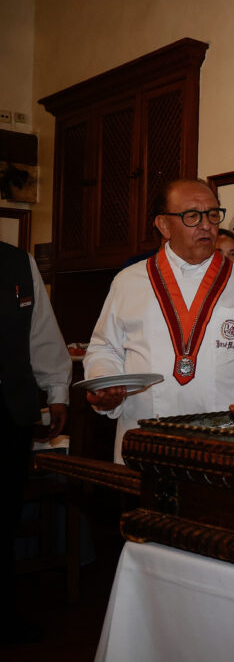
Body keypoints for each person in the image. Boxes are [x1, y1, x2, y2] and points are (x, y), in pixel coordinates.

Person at [84, 179, 234, 464]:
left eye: (212, 214)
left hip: (222, 445)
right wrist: (105, 386)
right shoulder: (129, 282)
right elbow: (104, 348)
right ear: (163, 225)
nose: (206, 225)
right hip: (144, 439)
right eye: (192, 216)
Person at [0, 241, 71, 644]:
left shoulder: (17, 261)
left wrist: (57, 389)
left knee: (5, 519)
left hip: (9, 414)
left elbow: (41, 331)